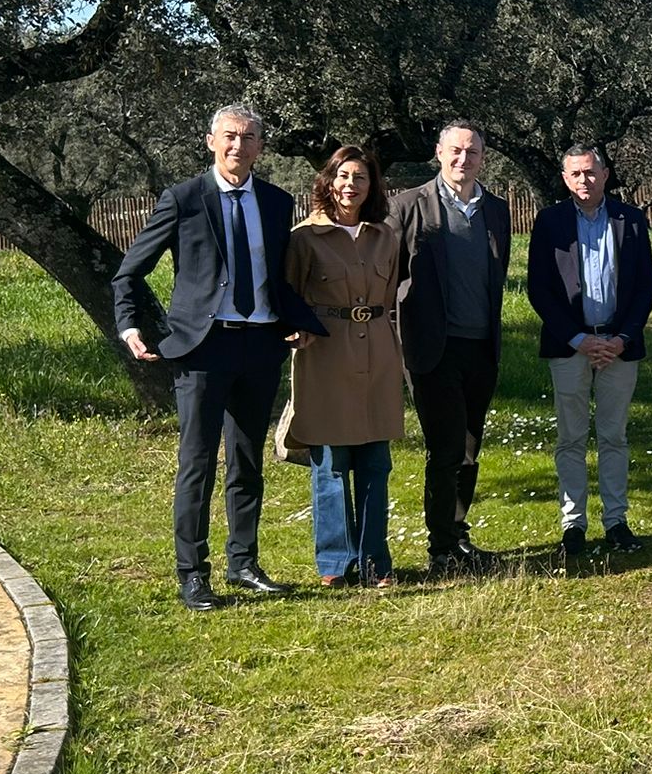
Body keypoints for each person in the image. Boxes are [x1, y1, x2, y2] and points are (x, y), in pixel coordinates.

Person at [113, 105, 323, 609]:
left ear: (260, 148)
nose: (239, 146)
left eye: (249, 138)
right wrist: (132, 326)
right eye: (230, 136)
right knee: (198, 462)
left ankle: (244, 563)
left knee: (248, 462)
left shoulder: (275, 202)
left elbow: (278, 278)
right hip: (202, 349)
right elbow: (129, 272)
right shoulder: (183, 199)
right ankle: (192, 573)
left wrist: (305, 324)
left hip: (260, 346)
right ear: (211, 141)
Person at [387, 119, 512, 577]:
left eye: (473, 152)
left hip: (481, 347)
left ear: (483, 158)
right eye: (455, 151)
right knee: (445, 448)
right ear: (439, 153)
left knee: (469, 446)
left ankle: (457, 535)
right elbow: (388, 275)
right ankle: (440, 549)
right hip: (430, 349)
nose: (463, 159)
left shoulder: (496, 210)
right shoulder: (407, 206)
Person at [526, 144, 652, 562]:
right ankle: (573, 526)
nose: (584, 180)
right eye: (576, 173)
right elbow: (539, 290)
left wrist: (622, 337)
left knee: (614, 436)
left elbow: (644, 289)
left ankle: (616, 521)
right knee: (571, 438)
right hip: (571, 346)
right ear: (565, 179)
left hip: (618, 344)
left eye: (591, 172)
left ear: (605, 173)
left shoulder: (631, 220)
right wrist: (578, 339)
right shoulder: (549, 223)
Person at [283, 145, 402, 587]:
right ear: (329, 181)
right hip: (325, 355)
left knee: (376, 460)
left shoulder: (385, 236)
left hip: (378, 355)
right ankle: (336, 562)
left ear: (372, 187)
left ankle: (376, 563)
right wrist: (295, 331)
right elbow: (289, 296)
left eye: (361, 178)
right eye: (344, 176)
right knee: (331, 463)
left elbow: (389, 297)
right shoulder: (304, 237)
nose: (351, 185)